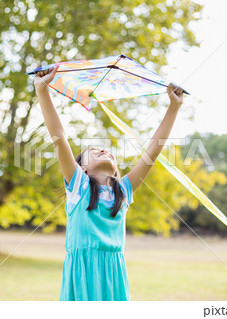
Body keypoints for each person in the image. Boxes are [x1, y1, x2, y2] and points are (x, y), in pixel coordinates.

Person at [33, 64, 184, 301]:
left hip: (114, 275)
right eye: (94, 150)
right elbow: (59, 139)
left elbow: (153, 151)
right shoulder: (78, 186)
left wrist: (174, 107)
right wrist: (42, 90)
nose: (105, 150)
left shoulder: (122, 192)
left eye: (108, 151)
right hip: (82, 275)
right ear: (82, 168)